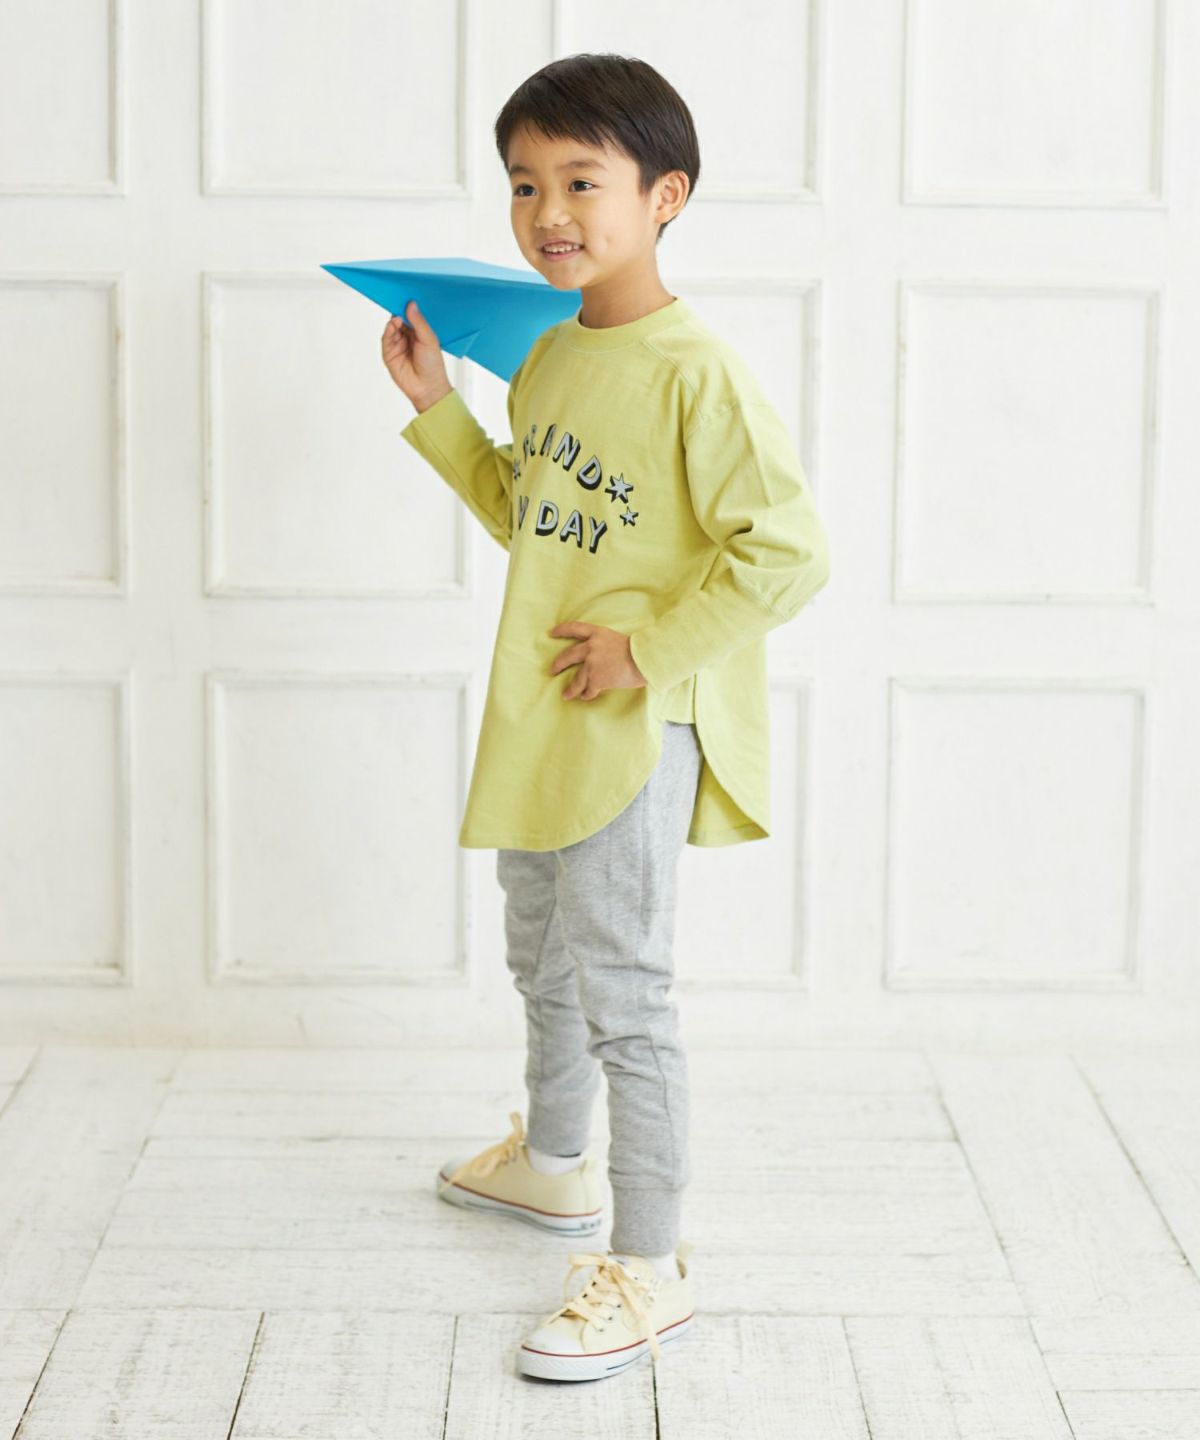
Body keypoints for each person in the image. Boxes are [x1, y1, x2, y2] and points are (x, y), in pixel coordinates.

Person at [381, 52, 831, 1383]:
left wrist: (648, 651)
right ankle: (554, 1162)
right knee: (542, 955)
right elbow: (533, 518)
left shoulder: (699, 371)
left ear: (664, 196)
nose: (549, 212)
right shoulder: (549, 356)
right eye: (525, 185)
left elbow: (789, 555)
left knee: (626, 992)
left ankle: (649, 1264)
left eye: (582, 181)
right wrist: (440, 410)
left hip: (637, 724)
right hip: (546, 714)